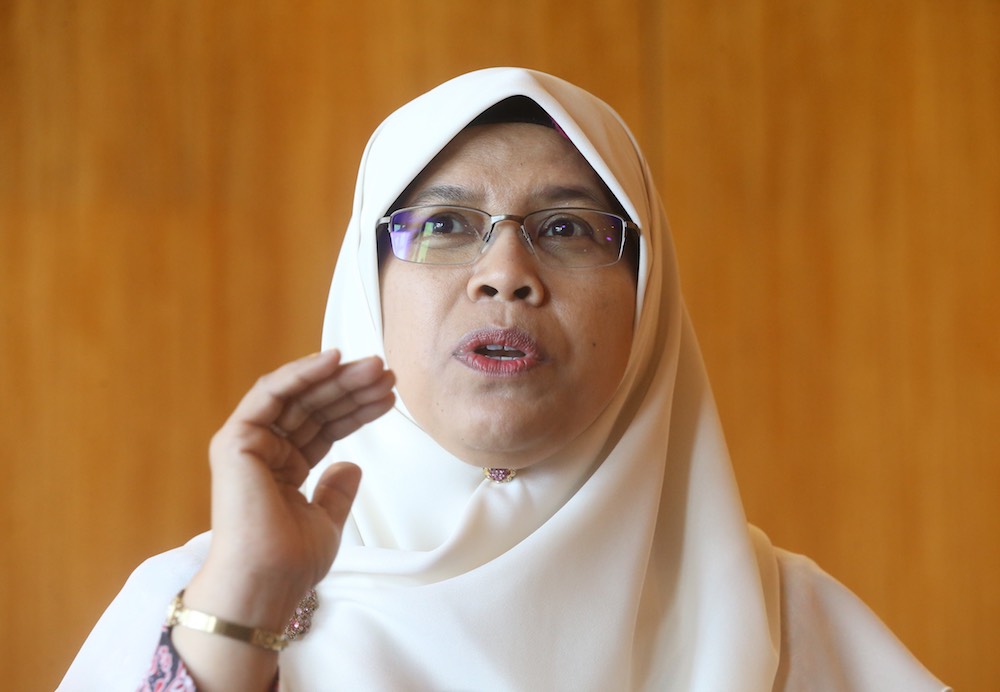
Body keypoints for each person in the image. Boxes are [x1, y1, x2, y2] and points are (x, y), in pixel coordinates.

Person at [60, 67, 948, 691]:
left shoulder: (781, 619)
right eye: (445, 224)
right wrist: (246, 606)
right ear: (369, 292)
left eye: (568, 229)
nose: (506, 272)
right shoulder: (204, 598)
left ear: (650, 301)